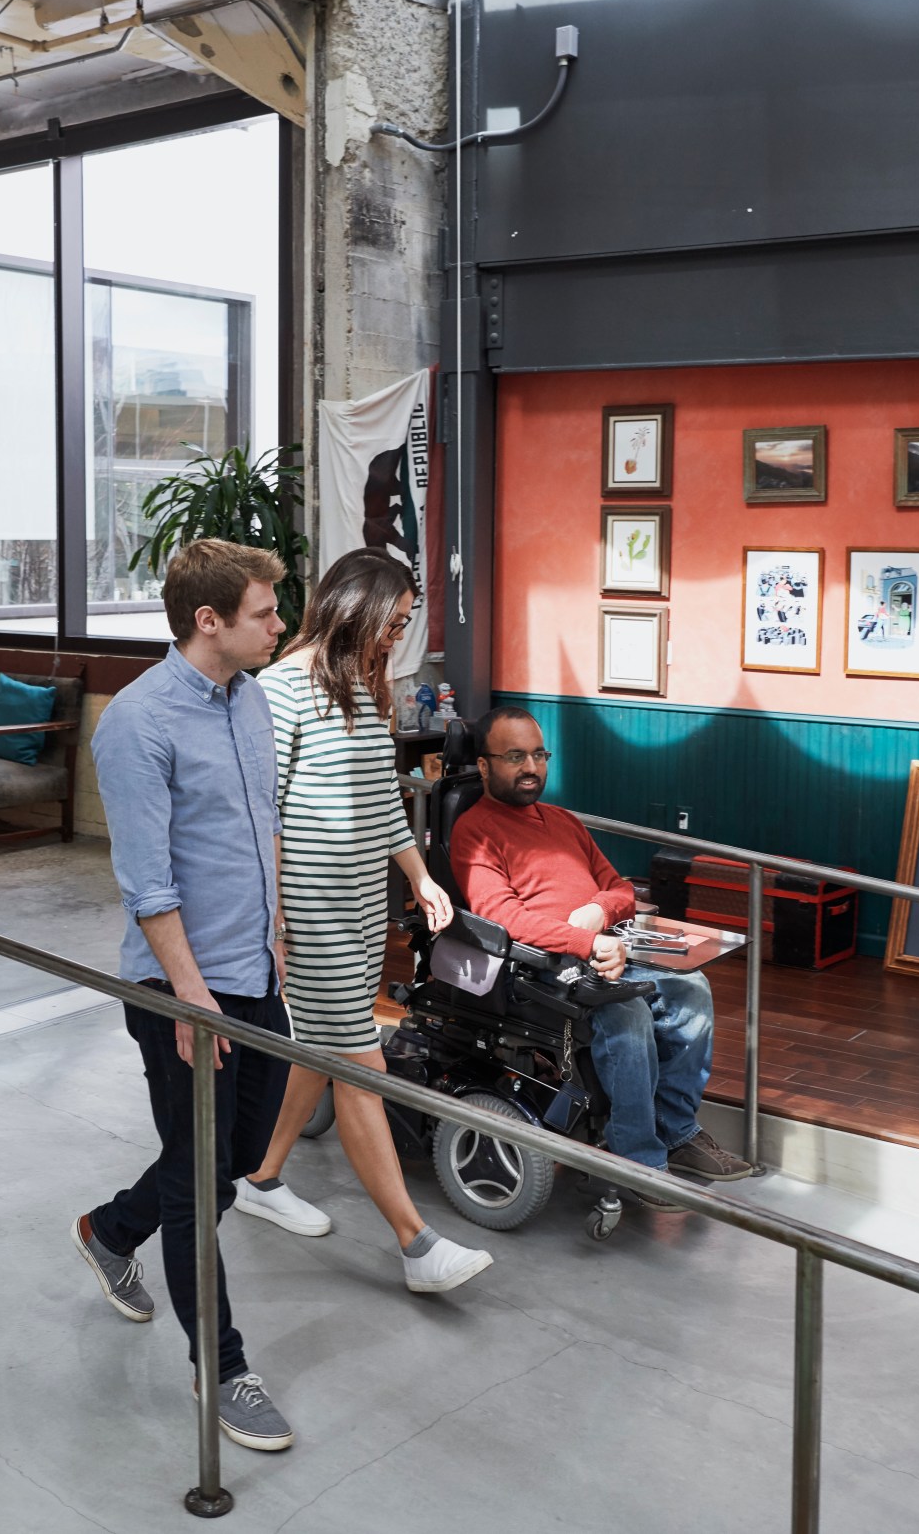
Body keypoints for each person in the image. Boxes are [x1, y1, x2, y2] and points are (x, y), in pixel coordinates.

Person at [71, 538, 299, 1453]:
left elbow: (262, 824)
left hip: (256, 971)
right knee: (200, 1174)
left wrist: (277, 931)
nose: (281, 625)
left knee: (232, 1159)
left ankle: (108, 1228)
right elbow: (148, 884)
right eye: (265, 612)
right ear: (209, 620)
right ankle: (224, 1365)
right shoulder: (137, 722)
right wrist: (193, 1000)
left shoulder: (250, 701)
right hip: (182, 990)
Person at [231, 551, 491, 1293]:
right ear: (357, 606)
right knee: (357, 1061)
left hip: (358, 906)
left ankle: (260, 1174)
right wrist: (274, 914)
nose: (395, 639)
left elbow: (382, 799)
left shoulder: (364, 688)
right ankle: (418, 1245)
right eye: (393, 623)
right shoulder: (280, 688)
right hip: (306, 910)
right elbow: (264, 810)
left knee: (320, 1047)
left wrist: (420, 877)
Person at [449, 705, 756, 1205]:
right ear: (483, 766)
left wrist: (596, 910)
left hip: (604, 947)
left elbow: (622, 889)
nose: (531, 767)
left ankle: (676, 1131)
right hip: (538, 966)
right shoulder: (475, 830)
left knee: (691, 992)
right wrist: (586, 941)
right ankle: (636, 1157)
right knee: (625, 1011)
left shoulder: (563, 821)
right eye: (514, 756)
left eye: (538, 754)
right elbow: (501, 916)